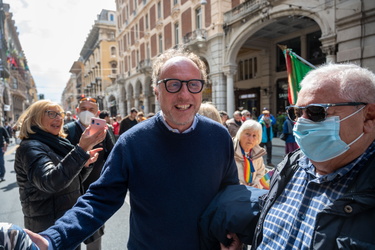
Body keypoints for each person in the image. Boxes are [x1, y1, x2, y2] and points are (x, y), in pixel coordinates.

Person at [25, 47, 239, 250]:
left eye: (193, 84)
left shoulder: (219, 136)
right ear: (156, 91)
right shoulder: (131, 142)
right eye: (173, 84)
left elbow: (230, 192)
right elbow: (99, 200)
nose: (184, 94)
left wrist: (234, 233)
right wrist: (52, 239)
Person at [220, 63, 375, 249]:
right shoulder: (291, 165)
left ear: (368, 117)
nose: (300, 124)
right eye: (297, 113)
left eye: (316, 112)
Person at [14, 100, 105, 238]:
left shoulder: (59, 143)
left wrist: (84, 165)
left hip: (67, 222)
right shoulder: (30, 147)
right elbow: (50, 182)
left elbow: (70, 181)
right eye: (52, 114)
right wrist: (80, 150)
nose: (59, 118)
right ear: (35, 118)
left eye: (60, 114)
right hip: (49, 229)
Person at [64, 97, 115, 249]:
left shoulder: (103, 130)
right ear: (77, 111)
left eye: (91, 109)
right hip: (70, 194)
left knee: (95, 237)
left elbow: (113, 155)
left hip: (94, 193)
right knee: (72, 238)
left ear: (97, 113)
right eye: (83, 109)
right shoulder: (67, 130)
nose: (87, 112)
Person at [233, 120, 266, 188]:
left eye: (254, 135)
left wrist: (256, 185)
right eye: (247, 134)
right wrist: (239, 185)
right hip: (234, 192)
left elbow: (261, 174)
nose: (250, 139)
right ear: (240, 133)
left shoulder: (257, 153)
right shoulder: (230, 151)